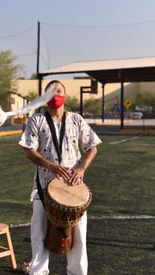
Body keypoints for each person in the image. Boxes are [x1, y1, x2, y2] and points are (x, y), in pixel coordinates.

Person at [19, 80, 101, 275]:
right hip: (44, 186)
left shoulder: (76, 119)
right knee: (38, 233)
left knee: (79, 236)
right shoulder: (37, 120)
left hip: (73, 188)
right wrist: (50, 166)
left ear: (65, 95)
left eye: (58, 91)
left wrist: (81, 168)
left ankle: (77, 272)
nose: (55, 95)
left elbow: (92, 148)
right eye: (50, 92)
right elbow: (29, 151)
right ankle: (38, 272)